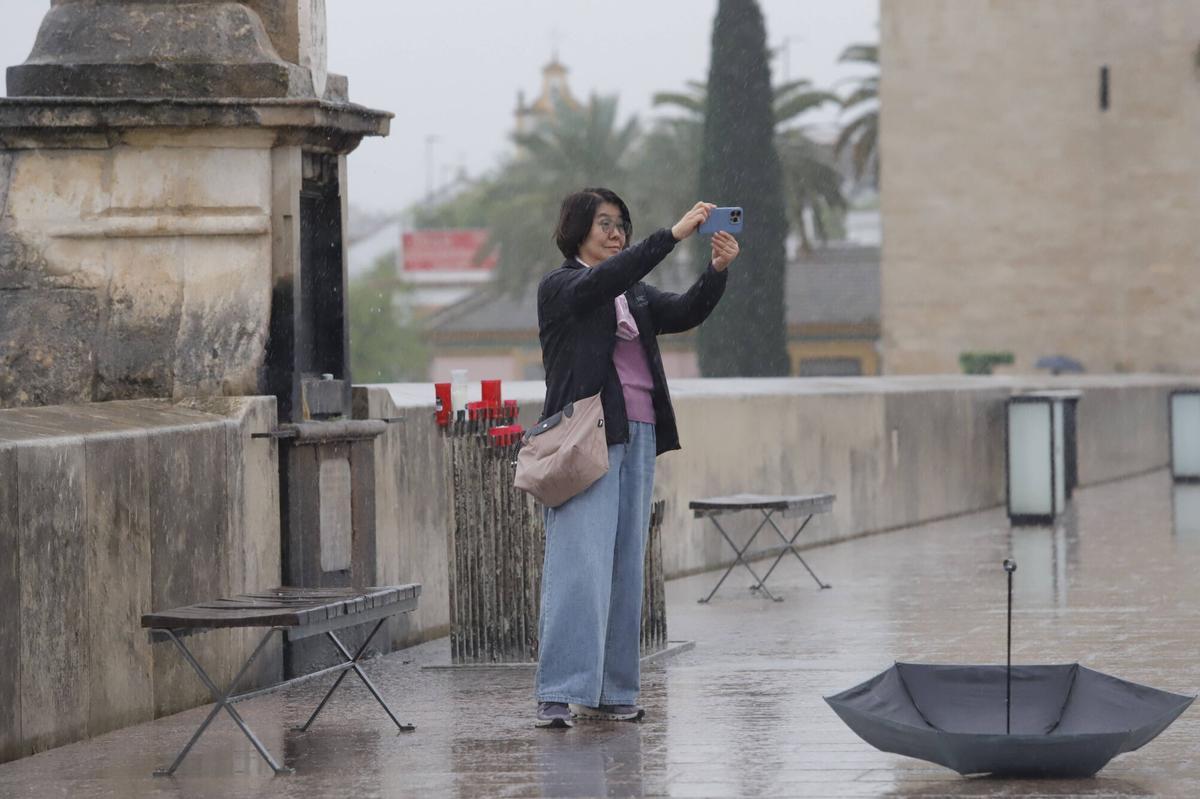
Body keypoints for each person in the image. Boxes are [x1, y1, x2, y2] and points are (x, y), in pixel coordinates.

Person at [534, 188, 739, 728]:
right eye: (604, 223)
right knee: (580, 564)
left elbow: (686, 311)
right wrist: (671, 235)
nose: (616, 232)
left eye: (622, 223)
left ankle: (611, 691)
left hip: (640, 432)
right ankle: (560, 690)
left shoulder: (635, 295)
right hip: (587, 436)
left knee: (626, 567)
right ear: (577, 229)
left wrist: (716, 271)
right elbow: (607, 279)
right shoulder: (564, 286)